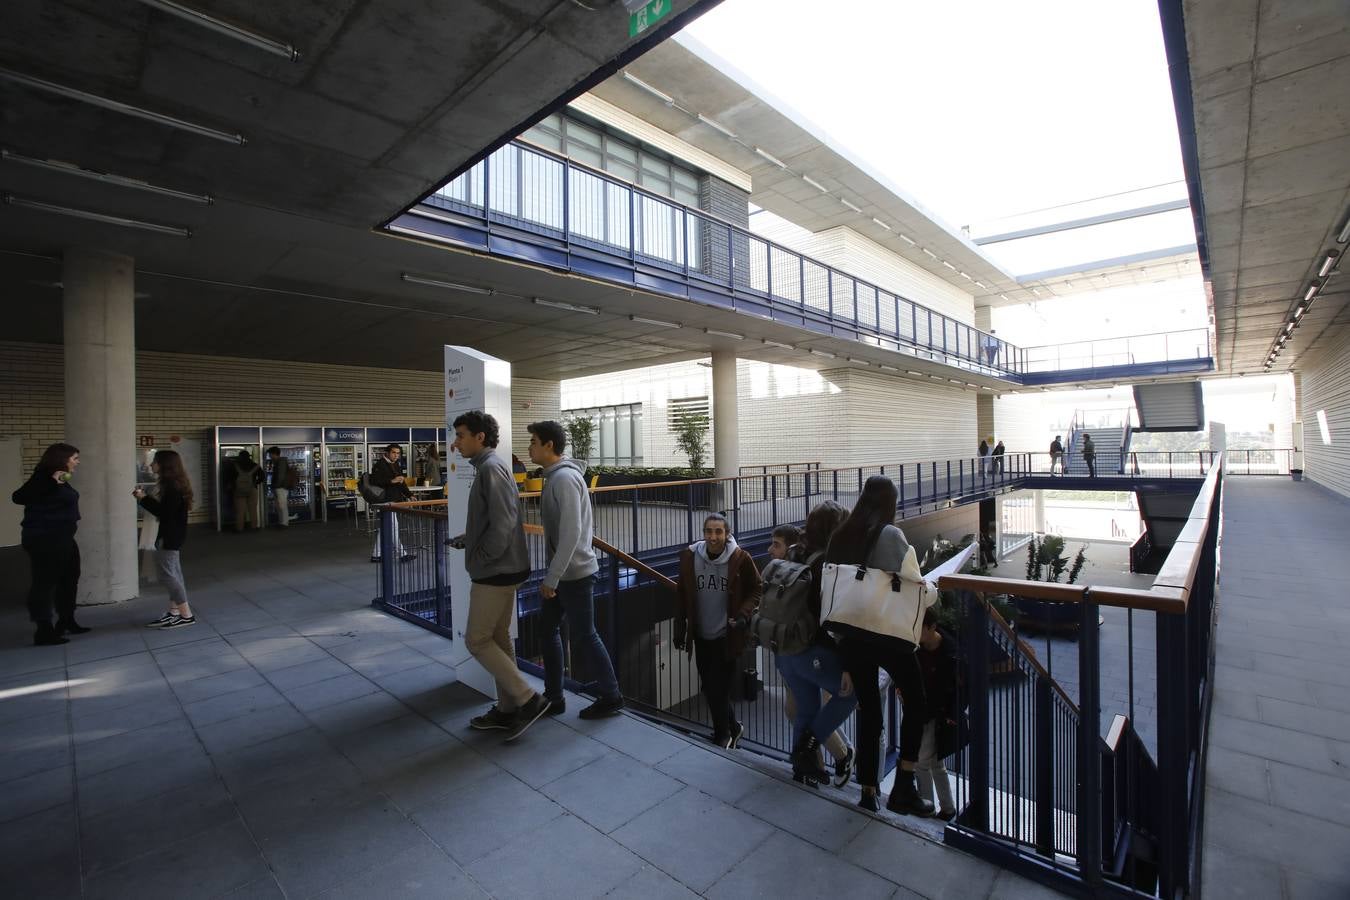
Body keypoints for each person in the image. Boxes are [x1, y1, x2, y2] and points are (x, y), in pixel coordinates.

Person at [828, 475, 934, 816]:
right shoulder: (889, 535)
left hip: (850, 635)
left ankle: (868, 790)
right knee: (917, 704)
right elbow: (917, 586)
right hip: (886, 635)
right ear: (890, 502)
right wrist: (934, 587)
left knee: (870, 710)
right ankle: (903, 786)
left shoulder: (841, 534)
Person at [451, 411, 550, 741]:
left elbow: (506, 522)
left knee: (476, 640)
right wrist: (471, 538)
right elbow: (494, 520)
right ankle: (508, 710)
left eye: (461, 435)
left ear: (480, 437)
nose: (456, 443)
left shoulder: (491, 468)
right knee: (497, 637)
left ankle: (528, 698)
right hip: (504, 567)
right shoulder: (488, 468)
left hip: (496, 570)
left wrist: (480, 555)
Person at [528, 419, 624, 720]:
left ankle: (611, 696)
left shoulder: (565, 480)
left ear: (549, 446)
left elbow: (571, 533)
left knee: (585, 635)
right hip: (564, 572)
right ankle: (554, 697)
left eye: (533, 442)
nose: (529, 447)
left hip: (575, 574)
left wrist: (552, 577)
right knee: (548, 630)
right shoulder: (554, 477)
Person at [777, 501, 856, 788]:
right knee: (850, 693)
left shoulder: (794, 552)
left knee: (806, 708)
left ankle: (803, 769)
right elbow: (836, 617)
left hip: (785, 650)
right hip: (813, 651)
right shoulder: (827, 565)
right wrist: (848, 663)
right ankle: (809, 745)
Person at [674, 513, 762, 749]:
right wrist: (679, 626)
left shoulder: (741, 558)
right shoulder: (690, 557)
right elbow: (682, 593)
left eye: (719, 532)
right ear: (703, 533)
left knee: (718, 689)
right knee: (709, 687)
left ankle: (723, 735)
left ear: (727, 534)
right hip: (701, 635)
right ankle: (734, 727)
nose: (713, 537)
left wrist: (743, 614)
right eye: (709, 531)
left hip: (727, 636)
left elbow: (757, 589)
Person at [11, 443, 87, 646]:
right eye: (75, 458)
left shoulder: (62, 478)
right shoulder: (43, 477)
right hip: (45, 538)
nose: (77, 462)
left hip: (63, 536)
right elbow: (18, 497)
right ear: (62, 459)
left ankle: (66, 620)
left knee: (70, 577)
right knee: (45, 583)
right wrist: (51, 482)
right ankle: (43, 630)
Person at [135, 450, 196, 629]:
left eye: (155, 462)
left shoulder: (172, 487)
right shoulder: (176, 484)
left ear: (164, 465)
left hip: (170, 535)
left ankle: (186, 614)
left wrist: (143, 499)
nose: (151, 465)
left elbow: (164, 513)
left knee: (168, 575)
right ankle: (174, 611)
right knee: (173, 573)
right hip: (174, 534)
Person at [914, 607, 959, 820]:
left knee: (923, 762)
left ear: (932, 627)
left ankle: (926, 807)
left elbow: (956, 688)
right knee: (935, 763)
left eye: (920, 628)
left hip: (934, 713)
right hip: (926, 711)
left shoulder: (949, 653)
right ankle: (947, 808)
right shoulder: (922, 647)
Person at [370, 444, 414, 563]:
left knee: (385, 527)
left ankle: (376, 554)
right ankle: (402, 554)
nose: (396, 455)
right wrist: (391, 481)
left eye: (398, 453)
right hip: (384, 500)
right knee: (393, 526)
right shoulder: (379, 465)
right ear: (387, 453)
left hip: (392, 499)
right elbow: (375, 481)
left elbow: (401, 482)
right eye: (394, 453)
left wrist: (409, 495)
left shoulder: (395, 465)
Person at [229, 450, 262, 532]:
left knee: (240, 510)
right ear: (249, 456)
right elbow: (262, 477)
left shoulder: (235, 465)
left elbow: (230, 478)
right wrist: (255, 483)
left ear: (240, 457)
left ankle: (239, 528)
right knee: (253, 509)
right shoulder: (255, 465)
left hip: (239, 490)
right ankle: (254, 527)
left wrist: (234, 486)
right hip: (252, 490)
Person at [266, 447, 291, 528]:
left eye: (270, 454)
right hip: (279, 487)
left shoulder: (281, 461)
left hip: (281, 487)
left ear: (273, 454)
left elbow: (280, 475)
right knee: (280, 505)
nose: (269, 456)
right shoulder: (278, 461)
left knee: (282, 505)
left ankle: (284, 523)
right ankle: (282, 522)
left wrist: (276, 486)